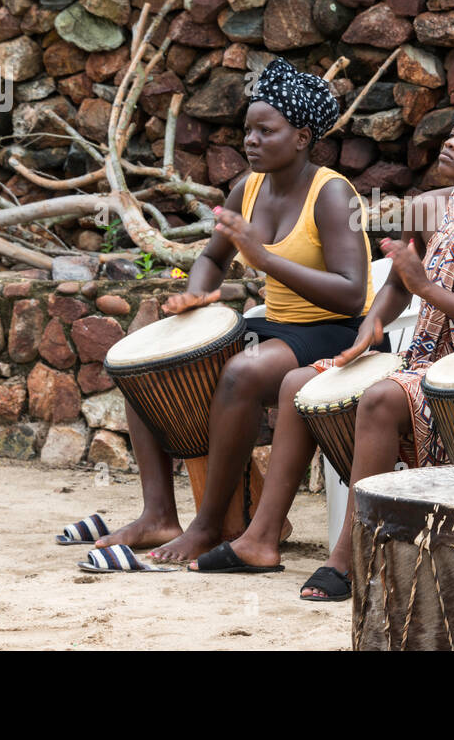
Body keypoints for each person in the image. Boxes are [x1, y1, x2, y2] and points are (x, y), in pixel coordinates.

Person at [188, 87, 454, 600]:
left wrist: (425, 288)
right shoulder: (428, 206)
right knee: (301, 385)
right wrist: (371, 327)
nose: (450, 142)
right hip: (424, 359)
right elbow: (393, 286)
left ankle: (351, 557)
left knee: (383, 396)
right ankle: (260, 539)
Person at [93, 57, 375, 564]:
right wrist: (197, 300)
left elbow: (353, 294)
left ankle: (207, 526)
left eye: (266, 131)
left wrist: (266, 259)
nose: (251, 141)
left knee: (242, 373)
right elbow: (211, 257)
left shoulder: (332, 194)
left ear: (302, 137)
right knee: (152, 369)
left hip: (337, 331)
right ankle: (158, 514)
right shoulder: (249, 187)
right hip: (280, 326)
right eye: (248, 130)